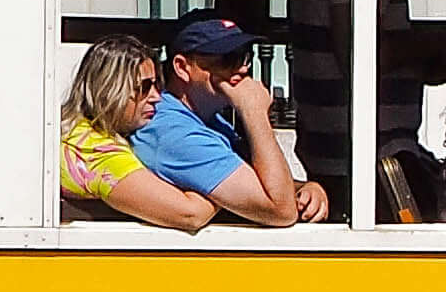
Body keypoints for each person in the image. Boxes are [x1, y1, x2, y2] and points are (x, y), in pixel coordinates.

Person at [127, 13, 328, 227]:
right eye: (228, 59)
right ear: (182, 68)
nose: (242, 68)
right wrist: (255, 114)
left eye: (245, 56)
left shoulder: (208, 119)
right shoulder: (173, 133)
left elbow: (255, 181)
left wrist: (304, 189)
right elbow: (280, 210)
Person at [59, 37, 218, 231]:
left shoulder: (76, 131)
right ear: (109, 89)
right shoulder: (99, 153)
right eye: (143, 87)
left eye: (157, 85)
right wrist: (220, 186)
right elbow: (191, 214)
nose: (156, 97)